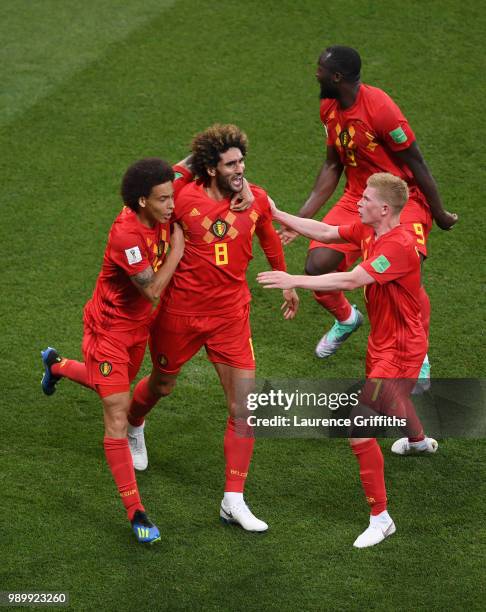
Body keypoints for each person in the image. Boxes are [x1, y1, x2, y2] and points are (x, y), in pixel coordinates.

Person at [125, 124, 299, 532]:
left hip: (230, 317)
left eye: (242, 162)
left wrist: (285, 279)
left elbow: (269, 237)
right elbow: (153, 190)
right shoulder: (181, 200)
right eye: (230, 164)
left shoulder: (254, 198)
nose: (240, 170)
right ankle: (134, 424)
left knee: (244, 408)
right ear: (210, 167)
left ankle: (233, 500)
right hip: (179, 316)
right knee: (162, 385)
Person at [258, 172, 438, 548]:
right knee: (393, 399)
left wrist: (293, 279)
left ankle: (381, 518)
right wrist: (278, 213)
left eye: (366, 198)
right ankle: (419, 440)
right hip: (383, 340)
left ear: (384, 209)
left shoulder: (399, 245)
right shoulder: (371, 231)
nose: (358, 201)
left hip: (402, 347)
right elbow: (325, 233)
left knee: (360, 428)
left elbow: (352, 281)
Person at [281, 45, 457, 380]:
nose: (314, 73)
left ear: (337, 77)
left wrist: (439, 212)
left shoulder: (381, 111)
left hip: (400, 201)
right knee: (317, 266)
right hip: (358, 199)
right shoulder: (328, 107)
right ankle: (347, 319)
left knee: (404, 278)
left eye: (319, 69)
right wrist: (300, 220)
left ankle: (418, 354)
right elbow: (333, 164)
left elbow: (416, 163)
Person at [40, 158, 185, 544]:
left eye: (172, 196)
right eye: (163, 200)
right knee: (117, 413)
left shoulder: (157, 198)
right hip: (108, 332)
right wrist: (177, 250)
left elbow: (184, 169)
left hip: (138, 329)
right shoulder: (127, 236)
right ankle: (136, 512)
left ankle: (57, 367)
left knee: (114, 389)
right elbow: (151, 290)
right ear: (142, 202)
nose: (172, 205)